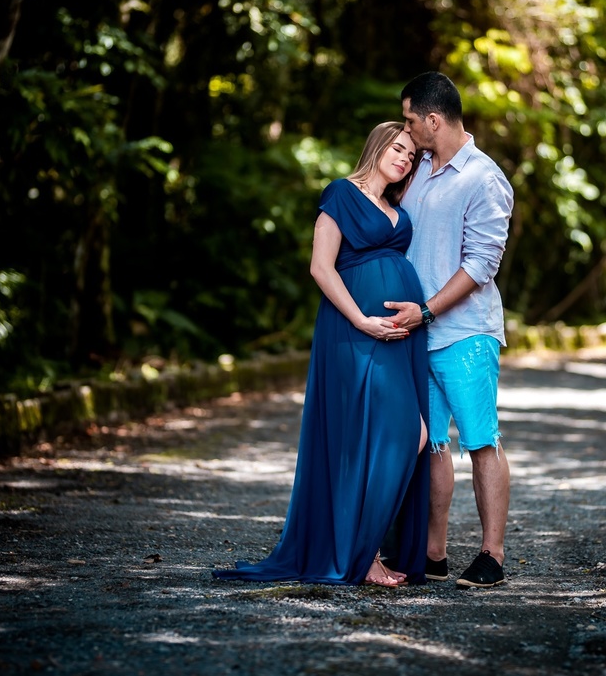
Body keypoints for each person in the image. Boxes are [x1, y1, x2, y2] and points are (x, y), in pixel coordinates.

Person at [213, 121, 431, 587]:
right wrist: (360, 320)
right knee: (384, 437)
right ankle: (363, 554)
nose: (403, 159)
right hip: (354, 334)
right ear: (376, 146)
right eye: (397, 149)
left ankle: (364, 547)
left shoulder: (393, 206)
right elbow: (320, 266)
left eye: (411, 156)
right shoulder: (341, 193)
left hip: (398, 339)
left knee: (408, 435)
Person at [384, 71, 514, 589]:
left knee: (480, 440)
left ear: (433, 120)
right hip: (417, 336)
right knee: (433, 445)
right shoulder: (416, 170)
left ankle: (492, 556)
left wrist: (428, 311)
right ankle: (432, 554)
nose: (408, 130)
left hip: (465, 334)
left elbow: (482, 263)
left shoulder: (484, 178)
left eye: (412, 121)